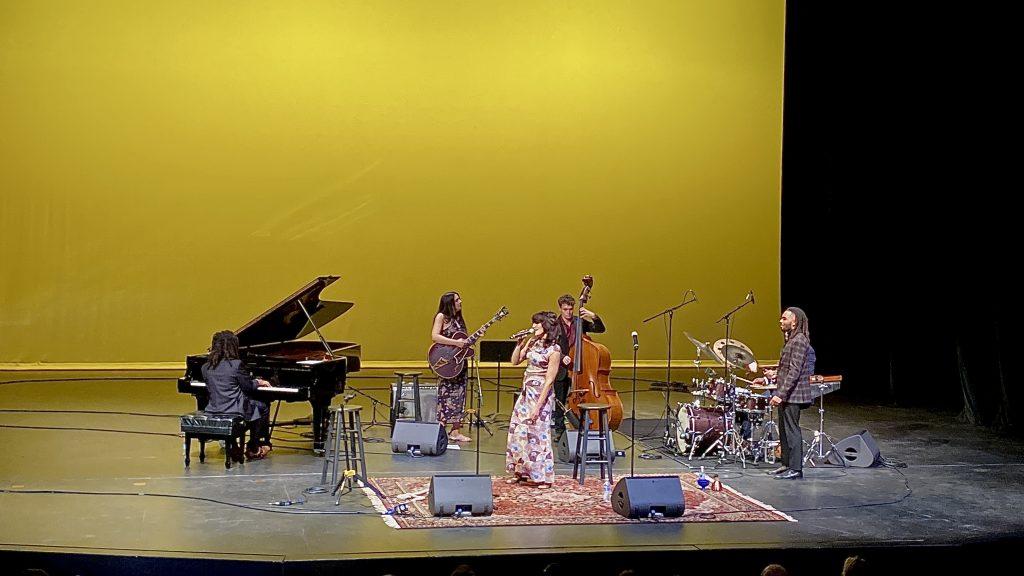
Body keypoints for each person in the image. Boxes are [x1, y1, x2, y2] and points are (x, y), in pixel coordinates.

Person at [505, 312, 562, 488]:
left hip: (540, 396)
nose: (534, 326)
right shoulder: (532, 342)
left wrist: (538, 407)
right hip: (525, 392)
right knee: (519, 432)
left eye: (537, 323)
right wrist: (519, 344)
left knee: (538, 434)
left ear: (545, 325)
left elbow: (550, 379)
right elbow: (515, 361)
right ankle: (520, 471)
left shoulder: (554, 350)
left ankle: (543, 476)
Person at [200, 330, 272, 460]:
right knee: (263, 406)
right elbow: (248, 387)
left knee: (252, 407)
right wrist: (259, 382)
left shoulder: (205, 367)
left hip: (213, 409)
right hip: (234, 409)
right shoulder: (236, 365)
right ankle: (254, 447)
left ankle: (235, 447)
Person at [761, 307, 815, 479]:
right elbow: (787, 368)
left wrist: (780, 394)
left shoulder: (799, 340)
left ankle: (796, 469)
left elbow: (795, 371)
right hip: (787, 392)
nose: (780, 321)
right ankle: (786, 464)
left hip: (794, 394)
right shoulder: (791, 340)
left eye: (784, 319)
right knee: (783, 430)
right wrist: (774, 374)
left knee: (792, 430)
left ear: (794, 322)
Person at [551, 293, 606, 439]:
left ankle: (583, 425)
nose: (568, 312)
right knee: (560, 400)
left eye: (570, 309)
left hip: (580, 368)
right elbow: (550, 345)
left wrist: (593, 316)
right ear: (560, 308)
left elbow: (600, 329)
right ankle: (559, 431)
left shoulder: (579, 322)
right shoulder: (554, 326)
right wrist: (562, 357)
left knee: (583, 398)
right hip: (562, 368)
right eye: (565, 309)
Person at [431, 291, 472, 442]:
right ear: (449, 303)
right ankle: (441, 428)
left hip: (460, 362)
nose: (460, 301)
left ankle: (455, 431)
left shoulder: (459, 319)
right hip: (447, 362)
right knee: (445, 394)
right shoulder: (442, 317)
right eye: (457, 300)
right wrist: (456, 343)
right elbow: (435, 336)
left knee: (460, 394)